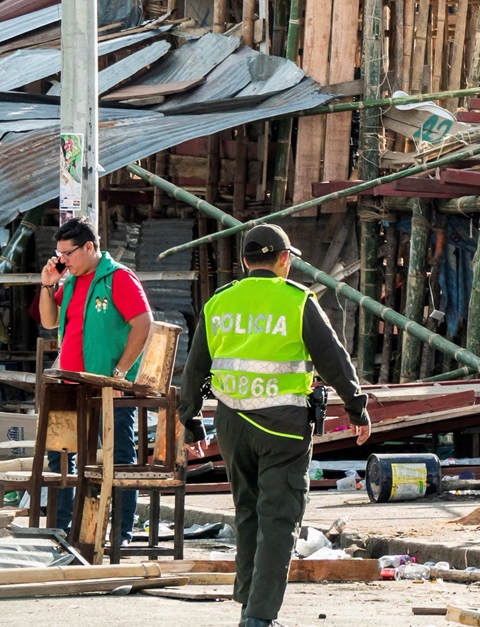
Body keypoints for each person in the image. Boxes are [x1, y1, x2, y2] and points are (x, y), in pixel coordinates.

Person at [179, 225, 372, 627]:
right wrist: (357, 409)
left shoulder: (219, 303)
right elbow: (334, 361)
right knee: (280, 519)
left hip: (231, 425)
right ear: (285, 259)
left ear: (246, 261)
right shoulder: (298, 301)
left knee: (247, 511)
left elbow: (195, 366)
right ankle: (259, 618)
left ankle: (249, 599)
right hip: (283, 427)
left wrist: (191, 420)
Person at [37, 216, 153, 534]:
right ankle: (63, 531)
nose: (62, 260)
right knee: (61, 459)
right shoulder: (71, 282)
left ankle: (121, 535)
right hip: (70, 383)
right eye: (58, 254)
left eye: (67, 254)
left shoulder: (118, 278)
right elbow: (48, 321)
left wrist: (119, 375)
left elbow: (144, 323)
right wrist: (49, 284)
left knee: (120, 461)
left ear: (89, 247)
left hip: (109, 388)